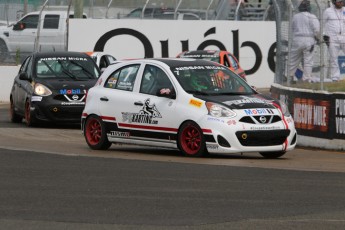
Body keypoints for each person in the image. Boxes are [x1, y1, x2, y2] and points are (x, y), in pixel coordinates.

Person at [288, 0, 320, 83]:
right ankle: (306, 79)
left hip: (297, 39)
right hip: (308, 39)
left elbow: (292, 29)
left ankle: (289, 77)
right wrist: (318, 38)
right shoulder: (312, 16)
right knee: (308, 61)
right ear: (308, 7)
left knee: (292, 60)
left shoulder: (295, 16)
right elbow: (317, 30)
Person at [323, 0, 345, 82]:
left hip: (343, 36)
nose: (341, 3)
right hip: (332, 37)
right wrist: (324, 35)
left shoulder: (344, 10)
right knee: (333, 58)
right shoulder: (328, 11)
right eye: (339, 1)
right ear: (334, 2)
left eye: (342, 1)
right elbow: (322, 23)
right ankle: (335, 78)